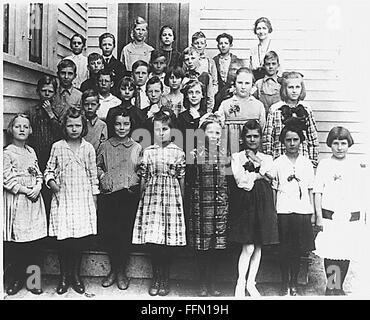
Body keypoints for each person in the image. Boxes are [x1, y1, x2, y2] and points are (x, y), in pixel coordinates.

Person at [44, 108, 99, 295]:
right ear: (64, 127)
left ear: (83, 127)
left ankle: (75, 275)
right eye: (70, 125)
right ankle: (64, 276)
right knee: (64, 241)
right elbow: (49, 170)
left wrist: (94, 199)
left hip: (82, 200)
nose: (74, 129)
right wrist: (52, 184)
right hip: (63, 200)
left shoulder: (88, 148)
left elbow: (93, 176)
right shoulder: (58, 146)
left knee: (78, 241)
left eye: (78, 125)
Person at [132, 111, 186, 296]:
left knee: (167, 241)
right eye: (157, 129)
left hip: (171, 199)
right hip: (152, 199)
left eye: (165, 129)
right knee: (154, 240)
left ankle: (165, 277)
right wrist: (142, 199)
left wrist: (182, 202)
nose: (161, 132)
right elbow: (144, 178)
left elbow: (181, 179)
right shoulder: (148, 151)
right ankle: (155, 276)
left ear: (171, 130)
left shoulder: (178, 152)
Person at [313, 127, 367, 295]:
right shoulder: (324, 165)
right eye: (335, 143)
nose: (339, 147)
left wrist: (362, 217)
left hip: (349, 217)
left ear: (348, 144)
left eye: (343, 143)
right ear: (330, 145)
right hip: (330, 216)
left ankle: (339, 286)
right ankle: (331, 286)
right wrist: (319, 217)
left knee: (345, 252)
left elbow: (361, 193)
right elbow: (317, 192)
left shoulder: (354, 166)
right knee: (332, 252)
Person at [229, 120, 279, 298]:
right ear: (243, 138)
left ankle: (251, 283)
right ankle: (240, 282)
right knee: (248, 246)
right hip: (246, 204)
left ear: (261, 138)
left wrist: (256, 161)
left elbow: (271, 176)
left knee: (258, 246)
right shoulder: (237, 157)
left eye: (255, 136)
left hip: (264, 202)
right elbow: (241, 181)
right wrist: (259, 175)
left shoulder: (267, 158)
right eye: (248, 136)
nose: (252, 139)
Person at [97, 110, 142, 290]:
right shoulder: (105, 146)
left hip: (127, 196)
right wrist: (102, 177)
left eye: (126, 124)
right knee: (110, 234)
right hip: (109, 196)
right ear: (112, 125)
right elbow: (98, 166)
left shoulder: (136, 147)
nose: (122, 128)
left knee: (124, 235)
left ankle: (122, 271)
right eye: (118, 124)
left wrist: (135, 180)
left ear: (131, 126)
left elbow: (141, 169)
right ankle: (113, 270)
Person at [3, 114, 47, 296]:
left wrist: (37, 186)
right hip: (19, 202)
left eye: (25, 127)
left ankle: (33, 281)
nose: (21, 129)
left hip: (35, 202)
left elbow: (38, 173)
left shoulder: (31, 152)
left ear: (30, 130)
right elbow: (6, 178)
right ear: (10, 130)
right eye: (17, 126)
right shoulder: (7, 153)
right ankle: (16, 279)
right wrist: (25, 190)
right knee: (19, 244)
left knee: (35, 244)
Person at [271, 118, 315, 296]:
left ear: (300, 141)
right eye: (288, 140)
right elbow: (274, 188)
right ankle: (283, 282)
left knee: (297, 249)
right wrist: (274, 211)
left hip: (302, 210)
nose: (291, 143)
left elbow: (311, 189)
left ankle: (294, 281)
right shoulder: (278, 162)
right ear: (283, 142)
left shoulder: (306, 163)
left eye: (295, 140)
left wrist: (311, 212)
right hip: (283, 210)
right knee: (284, 248)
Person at [187, 113, 229, 297]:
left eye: (217, 133)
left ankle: (213, 282)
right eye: (209, 132)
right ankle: (201, 283)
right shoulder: (195, 154)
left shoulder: (226, 155)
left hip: (219, 206)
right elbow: (189, 181)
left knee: (216, 246)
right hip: (201, 204)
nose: (213, 136)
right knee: (201, 246)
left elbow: (229, 182)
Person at [262, 71, 319, 167]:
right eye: (290, 87)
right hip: (279, 158)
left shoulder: (306, 109)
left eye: (297, 87)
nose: (294, 91)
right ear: (284, 89)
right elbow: (268, 138)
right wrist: (269, 162)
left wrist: (312, 161)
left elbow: (313, 138)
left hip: (302, 158)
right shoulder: (275, 109)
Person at [28, 75, 62, 217]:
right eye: (44, 91)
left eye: (50, 91)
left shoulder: (59, 111)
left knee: (53, 192)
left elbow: (61, 133)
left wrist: (50, 114)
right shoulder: (31, 112)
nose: (47, 94)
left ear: (55, 93)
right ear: (38, 91)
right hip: (37, 156)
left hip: (54, 157)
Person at [216, 67, 265, 156]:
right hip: (231, 147)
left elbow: (262, 127)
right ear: (234, 84)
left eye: (247, 83)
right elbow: (219, 127)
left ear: (252, 85)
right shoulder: (225, 104)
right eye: (240, 83)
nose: (243, 87)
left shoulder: (258, 105)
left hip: (252, 146)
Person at [182, 46, 214, 113]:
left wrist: (207, 113)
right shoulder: (184, 77)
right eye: (187, 59)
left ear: (199, 58)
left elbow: (210, 98)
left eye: (193, 58)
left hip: (203, 112)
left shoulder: (206, 76)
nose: (190, 62)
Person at [252, 51, 281, 115]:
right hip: (262, 117)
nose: (271, 67)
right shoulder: (258, 84)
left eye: (273, 64)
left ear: (278, 66)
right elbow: (251, 101)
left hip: (278, 118)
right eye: (268, 64)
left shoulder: (281, 84)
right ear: (264, 66)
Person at [191, 31, 218, 95]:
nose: (199, 46)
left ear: (205, 45)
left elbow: (215, 82)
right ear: (192, 45)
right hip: (191, 94)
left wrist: (210, 94)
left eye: (202, 43)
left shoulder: (210, 61)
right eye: (196, 43)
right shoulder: (188, 60)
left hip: (206, 94)